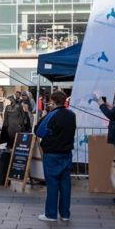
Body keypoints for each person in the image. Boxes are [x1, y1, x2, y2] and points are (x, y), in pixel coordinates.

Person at [35, 90, 76, 222]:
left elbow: (39, 131)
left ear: (53, 101)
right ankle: (65, 214)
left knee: (52, 184)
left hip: (52, 154)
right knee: (65, 184)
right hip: (67, 153)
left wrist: (47, 113)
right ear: (64, 101)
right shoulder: (71, 115)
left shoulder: (52, 115)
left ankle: (51, 214)